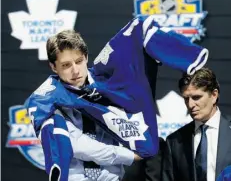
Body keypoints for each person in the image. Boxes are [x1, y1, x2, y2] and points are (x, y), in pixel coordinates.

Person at [25, 15, 209, 181]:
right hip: (76, 177)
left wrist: (188, 59)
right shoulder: (47, 97)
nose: (75, 70)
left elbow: (135, 33)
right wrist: (127, 156)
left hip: (112, 177)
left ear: (86, 57)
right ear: (53, 67)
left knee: (139, 26)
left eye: (79, 61)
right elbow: (77, 145)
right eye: (66, 65)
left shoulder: (107, 79)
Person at [162, 67, 231, 181]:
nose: (190, 104)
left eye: (196, 97)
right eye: (186, 99)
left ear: (214, 95)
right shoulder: (174, 141)